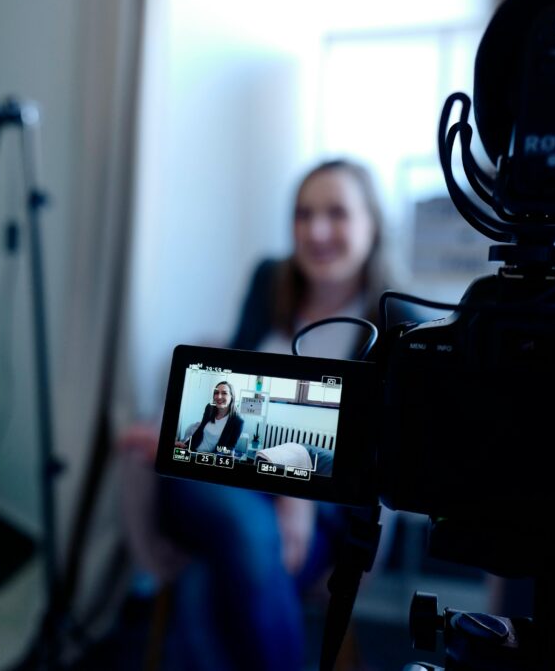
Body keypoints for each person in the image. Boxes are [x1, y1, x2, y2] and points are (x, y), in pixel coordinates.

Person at [157, 158, 394, 671]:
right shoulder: (270, 280)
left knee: (209, 581)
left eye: (337, 213)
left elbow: (378, 459)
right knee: (247, 531)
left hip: (321, 514)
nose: (317, 230)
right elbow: (227, 388)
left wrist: (299, 491)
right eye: (304, 215)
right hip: (218, 479)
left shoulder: (395, 321)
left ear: (372, 225)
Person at [178, 381, 245, 454]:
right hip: (193, 450)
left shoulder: (238, 421)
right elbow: (199, 430)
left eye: (224, 393)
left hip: (211, 457)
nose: (219, 397)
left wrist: (215, 457)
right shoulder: (209, 408)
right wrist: (185, 445)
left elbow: (230, 447)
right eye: (216, 393)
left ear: (232, 397)